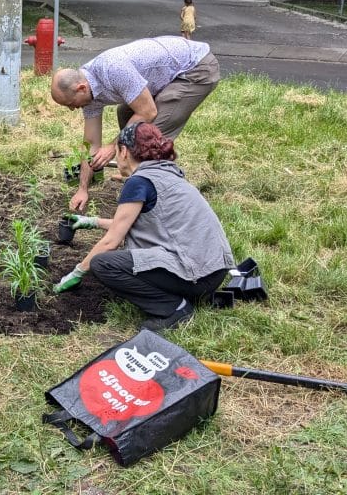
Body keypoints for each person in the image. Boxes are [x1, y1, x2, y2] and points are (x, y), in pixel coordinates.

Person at [53, 122, 234, 331]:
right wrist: (92, 222)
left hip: (193, 274)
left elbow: (112, 241)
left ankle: (174, 308)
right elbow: (137, 224)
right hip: (213, 271)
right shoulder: (166, 173)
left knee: (103, 264)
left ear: (123, 151)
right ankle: (184, 295)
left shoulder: (139, 182)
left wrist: (76, 272)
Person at [50, 35, 220, 212]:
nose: (71, 109)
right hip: (169, 73)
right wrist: (82, 189)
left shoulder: (112, 69)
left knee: (146, 134)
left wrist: (112, 146)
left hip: (195, 68)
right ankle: (137, 173)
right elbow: (91, 144)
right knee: (126, 113)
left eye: (70, 104)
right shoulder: (88, 92)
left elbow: (148, 111)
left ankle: (163, 198)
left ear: (81, 88)